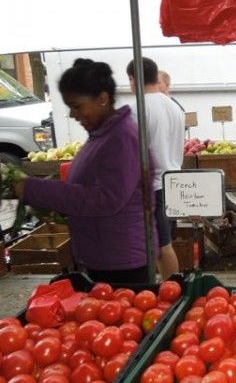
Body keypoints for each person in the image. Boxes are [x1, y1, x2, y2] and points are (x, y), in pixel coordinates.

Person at [14, 58, 158, 284]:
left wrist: (35, 190)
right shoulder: (105, 134)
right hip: (105, 254)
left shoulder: (121, 138)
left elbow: (107, 198)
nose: (73, 115)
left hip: (120, 261)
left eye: (77, 106)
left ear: (102, 98)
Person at [127, 58, 184, 280]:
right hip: (172, 182)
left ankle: (174, 290)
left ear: (134, 79)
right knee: (161, 241)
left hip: (152, 186)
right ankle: (170, 285)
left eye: (130, 80)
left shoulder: (136, 109)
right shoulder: (174, 106)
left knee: (162, 245)